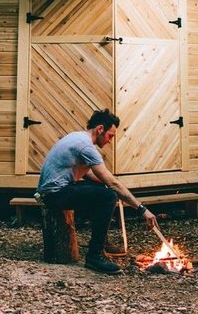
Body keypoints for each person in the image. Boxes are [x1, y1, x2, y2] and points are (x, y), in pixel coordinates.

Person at [35, 108, 158, 274]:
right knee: (108, 196)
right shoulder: (86, 146)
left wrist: (107, 182)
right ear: (100, 129)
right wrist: (142, 209)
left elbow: (89, 173)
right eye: (110, 136)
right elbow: (112, 183)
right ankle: (94, 255)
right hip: (54, 195)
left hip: (52, 191)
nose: (109, 141)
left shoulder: (77, 137)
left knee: (103, 189)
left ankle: (102, 241)